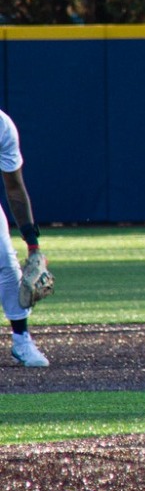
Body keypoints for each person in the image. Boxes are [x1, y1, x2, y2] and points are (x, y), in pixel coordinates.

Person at [0, 109, 49, 367]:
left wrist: (32, 243)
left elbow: (15, 188)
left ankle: (21, 340)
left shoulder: (2, 126)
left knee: (6, 263)